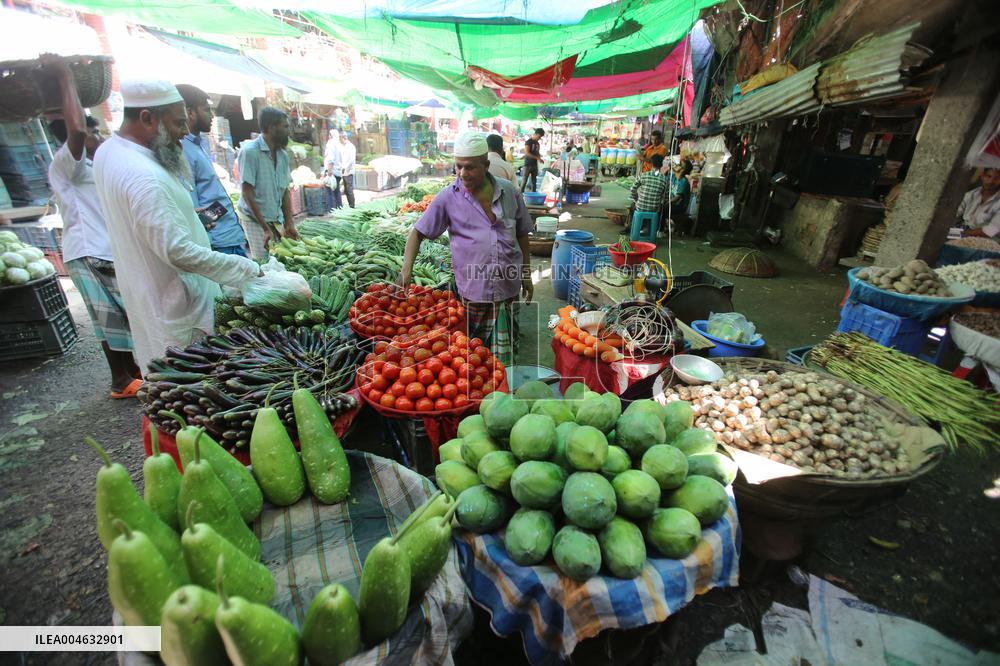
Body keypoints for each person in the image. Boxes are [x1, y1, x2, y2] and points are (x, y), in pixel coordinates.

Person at [92, 79, 262, 372]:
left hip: (150, 294)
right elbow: (177, 250)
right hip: (175, 304)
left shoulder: (109, 151)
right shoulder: (143, 176)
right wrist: (246, 269)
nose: (184, 133)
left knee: (167, 379)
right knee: (189, 382)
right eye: (178, 123)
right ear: (147, 118)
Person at [44, 55, 141, 398]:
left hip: (101, 249)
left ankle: (130, 375)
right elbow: (77, 129)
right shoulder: (66, 163)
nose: (98, 137)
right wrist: (64, 75)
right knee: (114, 318)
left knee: (114, 316)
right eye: (94, 132)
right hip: (88, 250)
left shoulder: (92, 167)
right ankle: (121, 379)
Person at [398, 131, 533, 349]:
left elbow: (522, 233)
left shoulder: (509, 192)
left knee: (506, 359)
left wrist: (526, 275)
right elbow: (417, 233)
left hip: (508, 290)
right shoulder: (448, 198)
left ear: (486, 165)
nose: (462, 173)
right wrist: (406, 270)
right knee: (472, 358)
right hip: (473, 295)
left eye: (470, 167)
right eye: (458, 166)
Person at [175, 84, 249, 257]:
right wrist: (213, 217)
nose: (212, 116)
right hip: (219, 242)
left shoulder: (197, 144)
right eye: (206, 110)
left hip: (229, 237)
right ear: (190, 112)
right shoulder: (182, 151)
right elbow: (191, 207)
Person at [236, 107, 298, 261]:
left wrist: (289, 223)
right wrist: (265, 228)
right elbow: (247, 192)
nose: (288, 131)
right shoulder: (250, 152)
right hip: (254, 219)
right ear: (272, 127)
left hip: (275, 218)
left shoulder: (282, 155)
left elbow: (284, 191)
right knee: (263, 262)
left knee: (278, 260)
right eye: (285, 126)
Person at [958, 168, 1000, 238]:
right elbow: (955, 214)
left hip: (987, 241)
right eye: (988, 176)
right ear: (982, 176)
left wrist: (962, 234)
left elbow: (992, 230)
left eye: (997, 178)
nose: (991, 181)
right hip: (963, 233)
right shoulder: (971, 194)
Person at [630, 154, 670, 223]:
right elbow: (666, 198)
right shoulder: (665, 179)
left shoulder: (643, 175)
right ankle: (654, 228)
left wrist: (636, 199)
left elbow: (632, 189)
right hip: (654, 210)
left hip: (640, 207)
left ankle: (630, 226)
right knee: (662, 210)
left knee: (632, 206)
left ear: (651, 164)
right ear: (662, 165)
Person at [334, 130, 357, 208]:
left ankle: (352, 205)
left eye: (340, 138)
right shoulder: (340, 146)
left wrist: (345, 168)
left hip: (349, 171)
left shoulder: (350, 147)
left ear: (343, 137)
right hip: (342, 170)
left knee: (349, 189)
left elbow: (351, 160)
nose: (339, 140)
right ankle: (349, 204)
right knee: (346, 190)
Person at [520, 127, 545, 192]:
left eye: (540, 137)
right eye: (539, 137)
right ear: (536, 134)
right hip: (528, 164)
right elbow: (527, 153)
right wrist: (537, 158)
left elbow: (537, 153)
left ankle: (533, 196)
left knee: (534, 182)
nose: (539, 138)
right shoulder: (528, 142)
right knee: (524, 181)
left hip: (534, 164)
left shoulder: (537, 143)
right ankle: (520, 195)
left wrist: (539, 157)